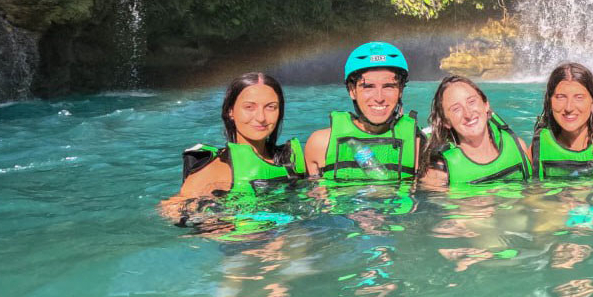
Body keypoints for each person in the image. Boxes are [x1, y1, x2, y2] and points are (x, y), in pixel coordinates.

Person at [160, 72, 305, 222]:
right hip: (247, 243)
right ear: (231, 112)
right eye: (249, 107)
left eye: (270, 107)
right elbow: (170, 210)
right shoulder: (217, 168)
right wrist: (217, 225)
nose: (261, 117)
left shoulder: (289, 160)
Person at [304, 42, 424, 183]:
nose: (379, 98)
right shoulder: (320, 144)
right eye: (368, 87)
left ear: (401, 91)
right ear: (352, 90)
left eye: (389, 86)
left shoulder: (419, 146)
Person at [421, 75, 532, 187]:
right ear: (446, 122)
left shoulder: (518, 147)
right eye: (456, 109)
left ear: (486, 104)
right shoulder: (439, 173)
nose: (468, 114)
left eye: (471, 102)